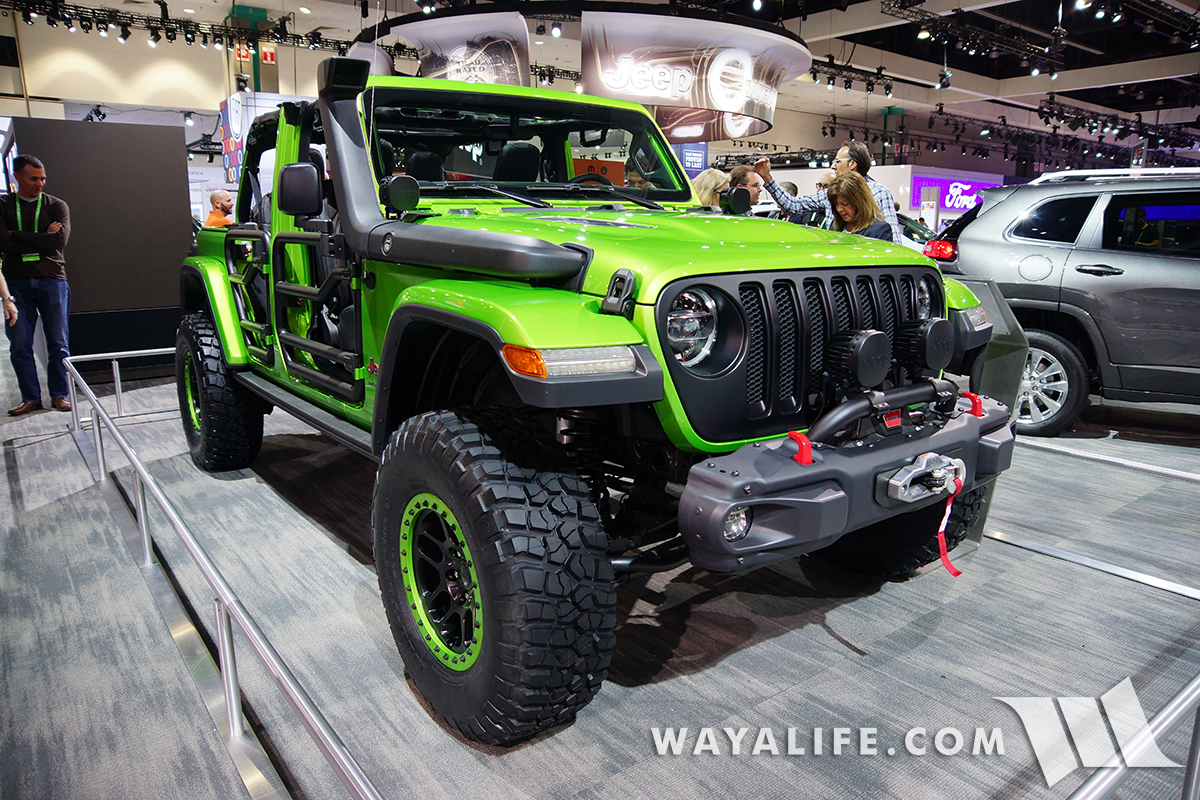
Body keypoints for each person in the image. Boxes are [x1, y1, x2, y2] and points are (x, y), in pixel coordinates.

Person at [0, 154, 72, 414]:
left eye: (42, 178)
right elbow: (1, 242)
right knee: (20, 344)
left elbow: (59, 241)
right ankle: (30, 397)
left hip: (52, 279)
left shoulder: (56, 205)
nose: (39, 183)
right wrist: (42, 236)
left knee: (58, 342)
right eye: (33, 178)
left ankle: (59, 394)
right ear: (17, 177)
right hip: (16, 283)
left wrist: (15, 235)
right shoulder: (3, 205)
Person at [754, 142, 902, 242]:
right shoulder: (832, 192)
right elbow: (793, 205)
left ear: (852, 163)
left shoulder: (880, 193)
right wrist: (767, 177)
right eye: (837, 205)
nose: (833, 166)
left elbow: (894, 240)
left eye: (837, 162)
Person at [825, 172, 894, 243]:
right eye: (836, 204)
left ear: (859, 201)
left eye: (845, 204)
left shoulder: (879, 229)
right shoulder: (835, 226)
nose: (839, 209)